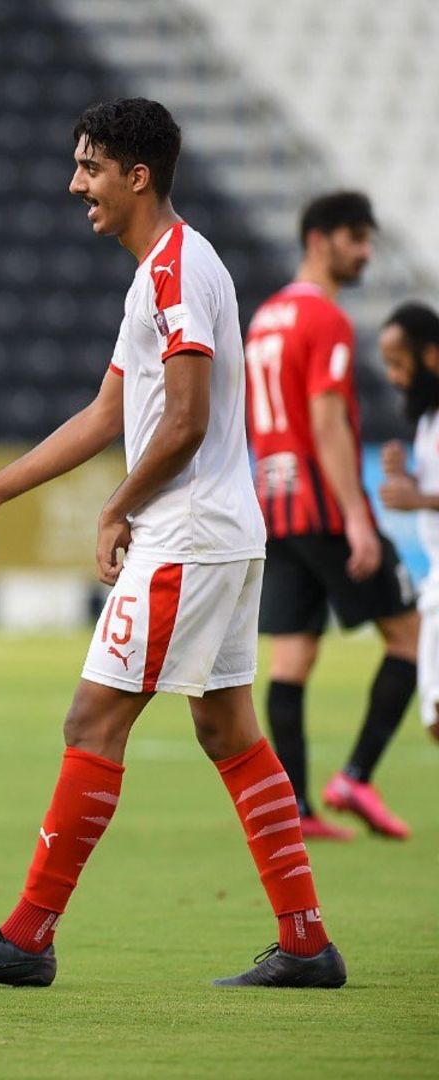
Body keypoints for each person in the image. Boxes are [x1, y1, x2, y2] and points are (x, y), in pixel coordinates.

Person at [0, 99, 344, 989]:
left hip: (185, 537)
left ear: (136, 175)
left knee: (92, 721)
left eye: (90, 168)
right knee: (227, 730)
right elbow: (111, 412)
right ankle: (305, 943)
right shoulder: (160, 272)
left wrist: (117, 507)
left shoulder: (179, 271)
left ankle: (28, 936)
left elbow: (183, 422)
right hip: (220, 534)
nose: (77, 186)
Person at [246, 191, 413, 841]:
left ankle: (295, 810)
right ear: (320, 239)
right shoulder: (327, 321)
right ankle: (357, 776)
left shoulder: (265, 318)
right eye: (356, 240)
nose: (366, 253)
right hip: (322, 506)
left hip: (276, 504)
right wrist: (359, 518)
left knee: (293, 657)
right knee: (411, 637)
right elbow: (325, 420)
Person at [374, 302, 439, 745]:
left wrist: (418, 497)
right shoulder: (428, 418)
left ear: (430, 355)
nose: (394, 377)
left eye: (399, 363)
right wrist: (407, 479)